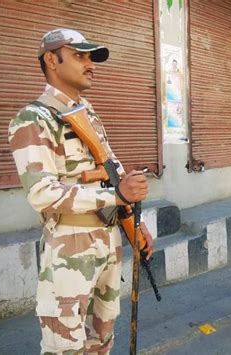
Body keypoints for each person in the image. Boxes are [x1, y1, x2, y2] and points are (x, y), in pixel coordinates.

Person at [8, 28, 153, 354]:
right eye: (79, 56)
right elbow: (42, 193)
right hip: (69, 250)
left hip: (108, 241)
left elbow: (111, 171)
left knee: (101, 340)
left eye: (91, 58)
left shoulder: (85, 111)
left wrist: (134, 221)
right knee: (66, 347)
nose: (91, 65)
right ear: (51, 59)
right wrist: (116, 197)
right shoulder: (33, 119)